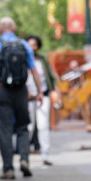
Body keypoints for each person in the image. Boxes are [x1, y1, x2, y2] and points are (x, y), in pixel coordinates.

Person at [0, 17, 43, 179]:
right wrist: (39, 92)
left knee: (5, 130)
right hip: (21, 91)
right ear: (14, 28)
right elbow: (34, 70)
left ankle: (8, 168)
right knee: (23, 127)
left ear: (0, 29)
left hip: (1, 90)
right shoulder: (24, 45)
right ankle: (24, 160)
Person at [25, 35, 62, 166]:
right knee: (28, 126)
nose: (32, 47)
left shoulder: (42, 60)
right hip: (28, 97)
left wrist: (55, 92)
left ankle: (45, 154)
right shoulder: (23, 60)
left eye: (34, 45)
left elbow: (51, 78)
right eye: (29, 44)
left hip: (43, 96)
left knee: (43, 126)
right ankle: (25, 155)